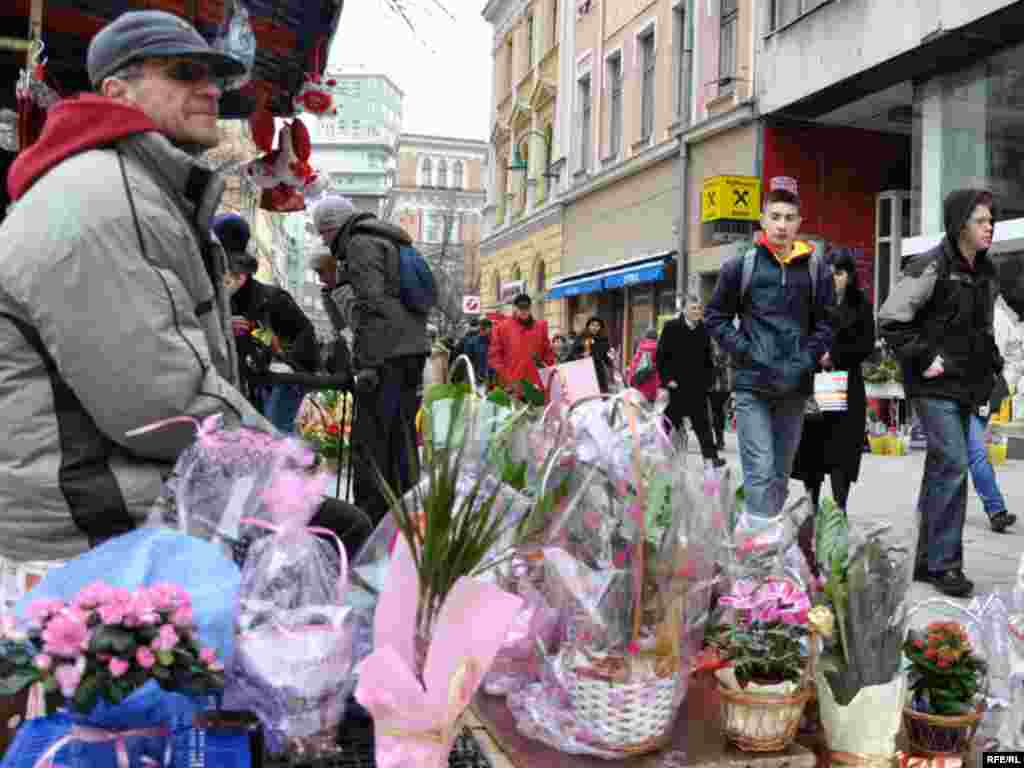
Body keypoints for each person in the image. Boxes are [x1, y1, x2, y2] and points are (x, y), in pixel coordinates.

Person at [0, 11, 372, 561]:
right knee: (339, 541)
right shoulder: (100, 199)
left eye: (215, 77)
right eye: (181, 73)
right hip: (90, 515)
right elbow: (158, 403)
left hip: (119, 491)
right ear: (116, 90)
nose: (208, 90)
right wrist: (282, 461)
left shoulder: (139, 189)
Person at [879, 189, 1003, 598]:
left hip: (965, 386)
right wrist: (924, 357)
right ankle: (945, 565)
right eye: (981, 220)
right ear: (959, 224)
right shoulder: (931, 264)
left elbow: (982, 333)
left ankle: (925, 559)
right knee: (953, 461)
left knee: (941, 468)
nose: (989, 227)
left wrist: (994, 372)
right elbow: (891, 319)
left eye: (991, 220)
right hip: (932, 384)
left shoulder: (986, 273)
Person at [705, 181, 833, 520]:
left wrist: (805, 360)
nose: (781, 224)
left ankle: (765, 544)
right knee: (759, 472)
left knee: (779, 474)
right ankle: (759, 559)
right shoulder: (741, 266)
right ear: (762, 220)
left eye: (789, 217)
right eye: (775, 216)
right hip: (752, 385)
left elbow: (826, 324)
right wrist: (746, 352)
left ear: (799, 223)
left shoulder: (815, 268)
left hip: (793, 387)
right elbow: (715, 317)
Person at [311, 195, 429, 525]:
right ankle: (403, 517)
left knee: (372, 443)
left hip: (386, 355)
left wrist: (365, 364)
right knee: (401, 438)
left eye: (323, 234)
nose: (325, 242)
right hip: (411, 348)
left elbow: (373, 307)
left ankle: (370, 521)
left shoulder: (360, 244)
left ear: (332, 228)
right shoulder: (388, 238)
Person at [792, 248, 875, 573]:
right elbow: (801, 337)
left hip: (846, 386)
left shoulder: (860, 305)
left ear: (850, 275)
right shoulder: (815, 303)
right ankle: (812, 510)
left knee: (842, 455)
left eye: (841, 272)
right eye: (832, 272)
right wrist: (817, 356)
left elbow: (866, 343)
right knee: (812, 450)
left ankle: (839, 512)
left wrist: (836, 354)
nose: (836, 278)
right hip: (817, 387)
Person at [213, 213, 318, 433]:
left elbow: (297, 343)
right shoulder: (212, 301)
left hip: (277, 383)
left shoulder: (272, 300)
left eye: (232, 272)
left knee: (271, 436)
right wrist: (222, 327)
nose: (228, 278)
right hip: (236, 387)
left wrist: (256, 335)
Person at [657, 296, 726, 468]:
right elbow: (661, 356)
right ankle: (655, 448)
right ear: (685, 310)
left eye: (699, 308)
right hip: (677, 385)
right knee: (669, 419)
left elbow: (707, 357)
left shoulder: (703, 329)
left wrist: (709, 379)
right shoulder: (672, 327)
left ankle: (711, 458)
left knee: (703, 424)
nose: (697, 312)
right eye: (693, 308)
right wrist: (667, 379)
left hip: (698, 386)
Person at [967, 373, 1016, 533]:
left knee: (974, 457)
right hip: (961, 404)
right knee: (973, 458)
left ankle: (996, 512)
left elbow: (1000, 382)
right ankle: (996, 511)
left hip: (978, 407)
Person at [489, 293, 555, 395]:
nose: (524, 311)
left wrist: (546, 373)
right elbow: (495, 356)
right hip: (513, 386)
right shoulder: (502, 328)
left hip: (536, 386)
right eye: (521, 308)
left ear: (530, 308)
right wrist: (507, 378)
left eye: (526, 308)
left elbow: (548, 353)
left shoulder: (540, 327)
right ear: (514, 308)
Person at [310, 247, 355, 377]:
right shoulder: (328, 294)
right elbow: (340, 327)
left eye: (321, 273)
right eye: (317, 274)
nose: (320, 280)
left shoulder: (353, 285)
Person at [573, 316, 612, 394]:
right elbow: (573, 352)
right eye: (593, 325)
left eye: (598, 325)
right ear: (588, 326)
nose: (595, 327)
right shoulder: (581, 337)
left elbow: (606, 356)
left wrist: (611, 361)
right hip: (583, 371)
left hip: (598, 371)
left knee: (600, 394)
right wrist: (581, 355)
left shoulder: (603, 339)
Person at [708, 337, 734, 451]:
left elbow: (716, 360)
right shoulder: (730, 341)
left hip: (717, 384)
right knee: (718, 411)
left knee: (716, 411)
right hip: (725, 383)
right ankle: (720, 440)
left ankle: (719, 440)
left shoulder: (712, 342)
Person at [453, 318, 493, 384]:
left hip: (486, 377)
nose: (491, 330)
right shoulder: (472, 342)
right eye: (490, 328)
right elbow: (467, 360)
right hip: (475, 377)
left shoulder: (489, 342)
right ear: (487, 328)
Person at [628, 327, 661, 403]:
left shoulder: (641, 347)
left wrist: (631, 380)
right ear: (656, 337)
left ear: (645, 336)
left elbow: (634, 365)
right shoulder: (659, 348)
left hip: (639, 384)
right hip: (653, 385)